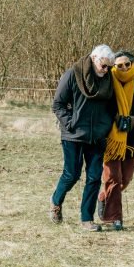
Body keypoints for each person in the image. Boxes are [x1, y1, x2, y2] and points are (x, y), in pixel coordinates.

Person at [50, 44, 116, 231]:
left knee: (94, 177)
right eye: (104, 66)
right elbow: (58, 105)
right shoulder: (72, 75)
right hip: (73, 135)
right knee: (72, 174)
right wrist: (71, 123)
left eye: (109, 67)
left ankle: (87, 218)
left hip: (97, 137)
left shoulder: (108, 79)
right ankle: (56, 201)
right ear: (94, 58)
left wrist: (106, 126)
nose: (107, 70)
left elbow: (112, 107)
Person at [96, 50, 134, 231]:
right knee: (113, 178)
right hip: (111, 139)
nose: (123, 68)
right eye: (119, 65)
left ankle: (103, 197)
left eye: (126, 65)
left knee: (125, 180)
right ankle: (115, 218)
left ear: (132, 64)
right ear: (114, 66)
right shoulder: (107, 81)